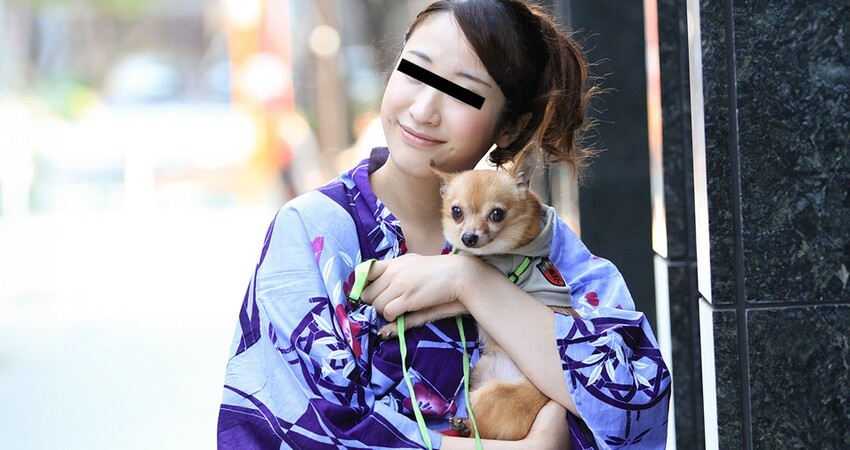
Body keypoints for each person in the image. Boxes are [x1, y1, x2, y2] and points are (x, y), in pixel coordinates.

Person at [217, 1, 671, 448]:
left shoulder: (540, 240)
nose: (424, 109)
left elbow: (637, 405)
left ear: (510, 128)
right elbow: (298, 424)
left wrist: (471, 281)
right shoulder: (313, 230)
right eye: (414, 71)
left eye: (461, 93)